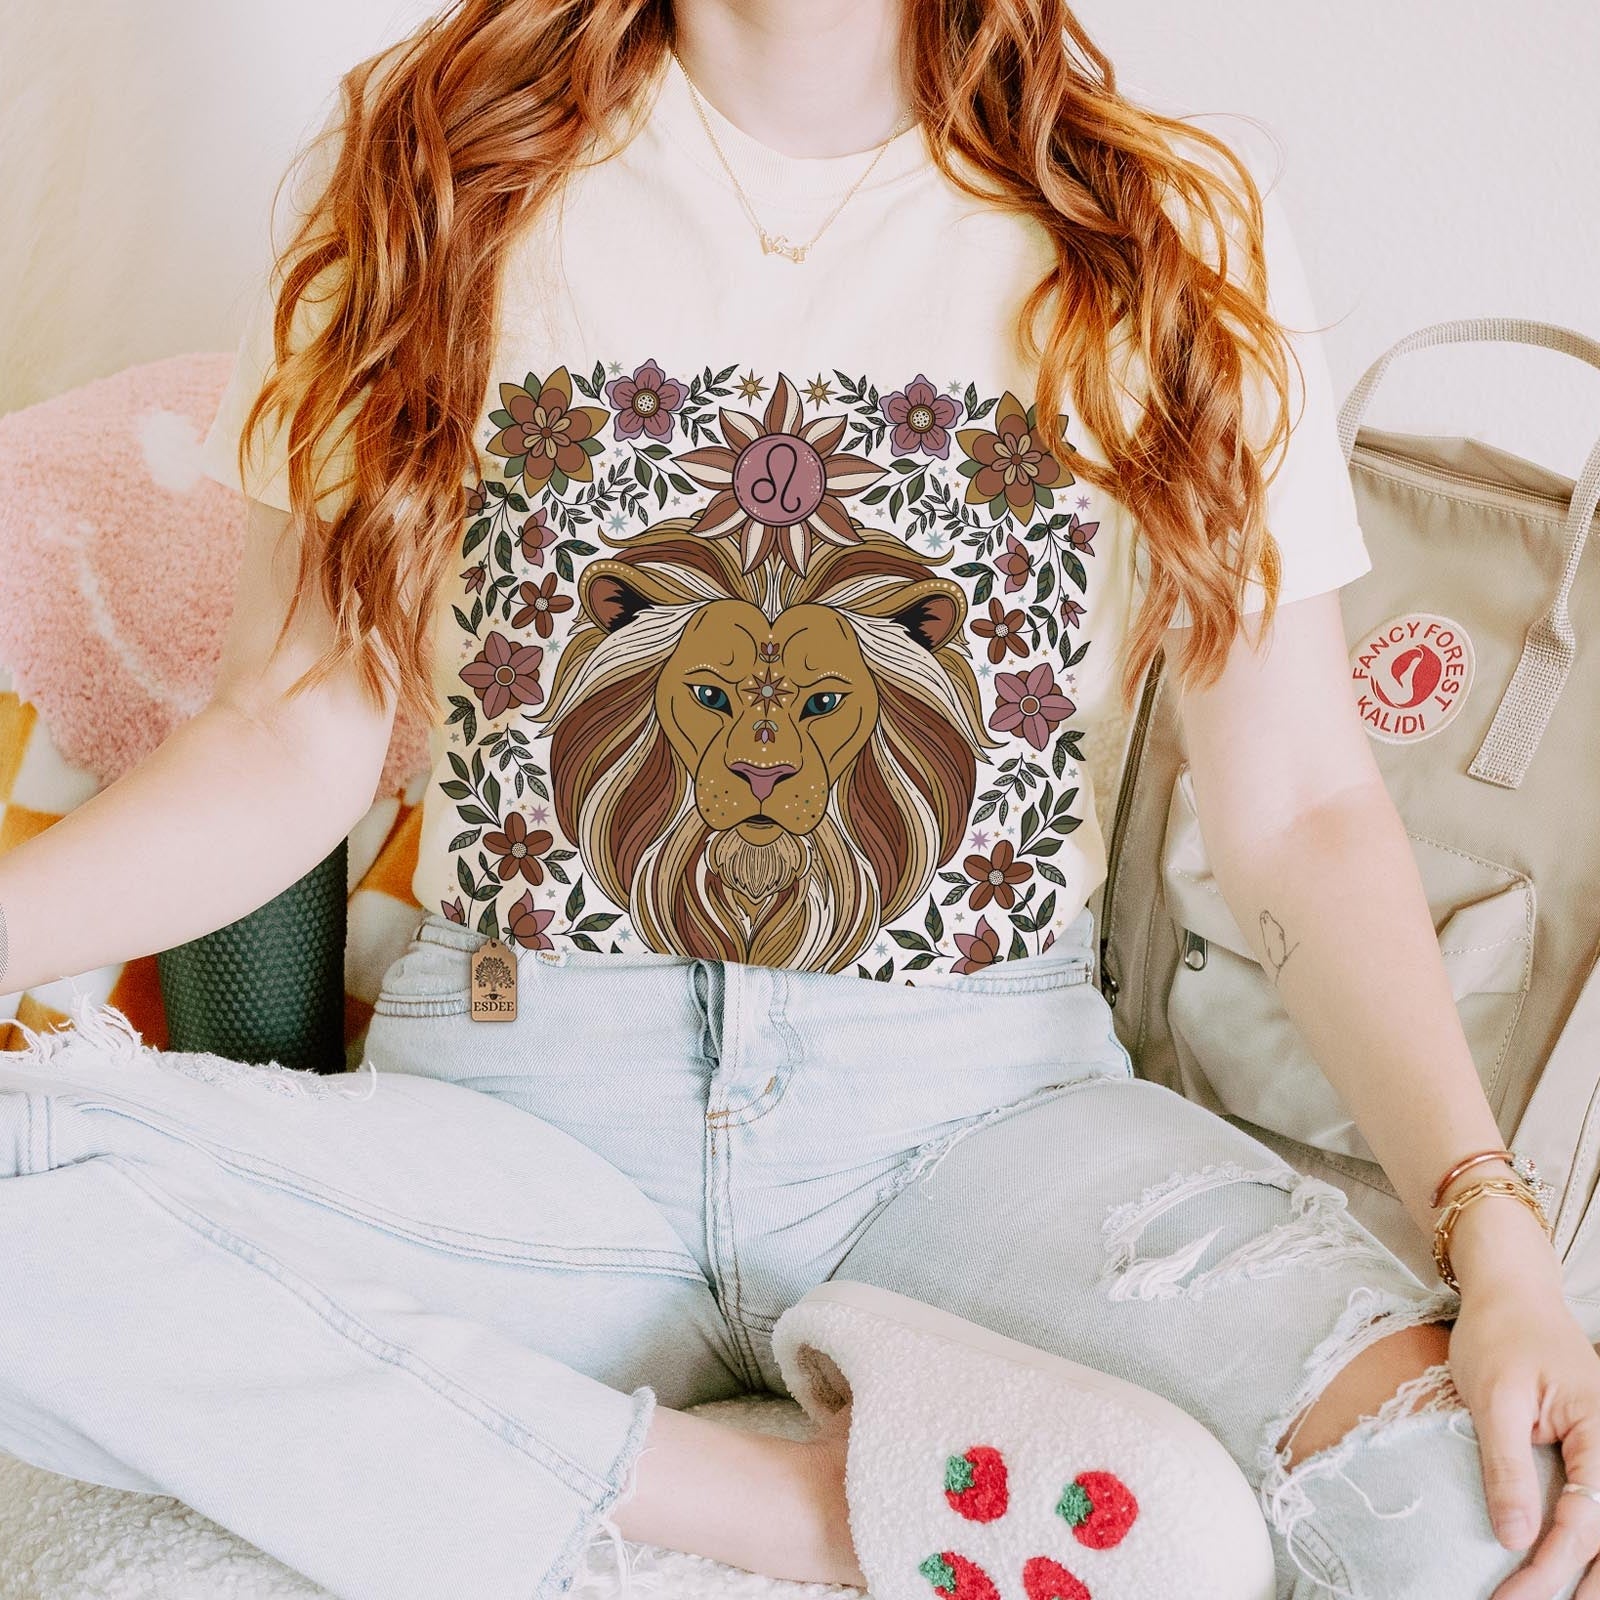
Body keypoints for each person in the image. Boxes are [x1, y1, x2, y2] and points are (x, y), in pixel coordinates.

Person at [1, 2, 1595, 1597]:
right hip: (519, 1114)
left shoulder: (1173, 222)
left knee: (1470, 1511)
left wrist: (1493, 1231)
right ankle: (796, 1507)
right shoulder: (417, 169)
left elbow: (1303, 810)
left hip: (986, 1125)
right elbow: (287, 732)